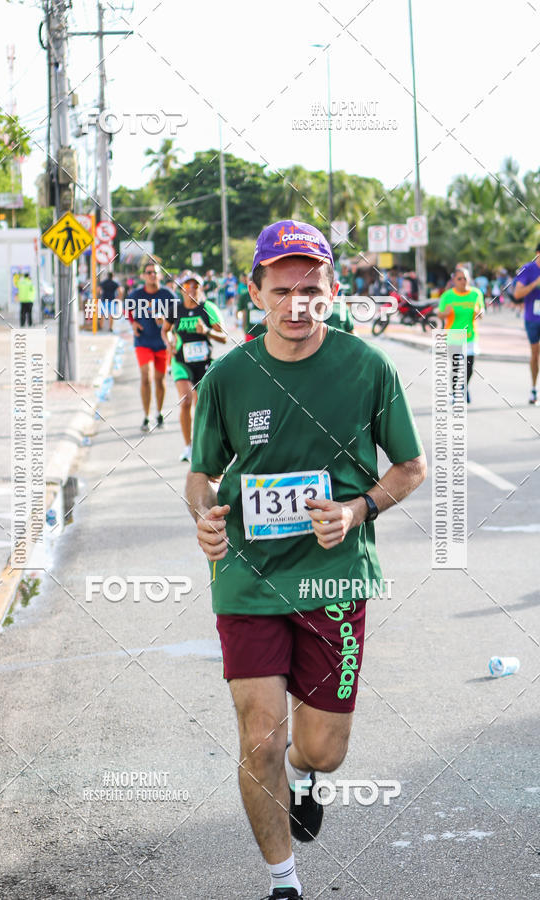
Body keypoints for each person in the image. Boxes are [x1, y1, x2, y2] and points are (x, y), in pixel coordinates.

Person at [185, 219, 426, 900]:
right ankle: (283, 882)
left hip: (334, 578)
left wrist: (358, 510)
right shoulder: (229, 377)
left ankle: (305, 772)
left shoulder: (367, 367)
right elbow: (201, 477)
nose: (298, 305)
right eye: (282, 290)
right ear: (255, 292)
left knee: (323, 749)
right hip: (248, 578)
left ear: (333, 290)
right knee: (259, 737)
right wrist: (204, 516)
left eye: (312, 290)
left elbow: (410, 467)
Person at [163, 273, 226, 461]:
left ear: (201, 289)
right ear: (181, 289)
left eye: (196, 286)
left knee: (201, 406)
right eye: (187, 286)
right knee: (186, 401)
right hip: (181, 362)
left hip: (203, 363)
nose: (192, 289)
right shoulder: (175, 309)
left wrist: (207, 331)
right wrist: (169, 344)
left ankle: (200, 444)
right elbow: (165, 330)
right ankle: (188, 447)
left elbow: (223, 337)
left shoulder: (208, 308)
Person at [127, 262, 175, 432]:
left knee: (160, 380)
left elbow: (177, 314)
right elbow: (127, 310)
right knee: (146, 377)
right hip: (143, 341)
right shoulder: (136, 295)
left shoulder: (168, 295)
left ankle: (159, 413)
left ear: (160, 275)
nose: (152, 275)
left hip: (161, 343)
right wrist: (133, 323)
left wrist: (167, 321)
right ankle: (146, 417)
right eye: (148, 273)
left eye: (155, 272)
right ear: (143, 276)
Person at [437, 268, 484, 404]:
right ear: (454, 280)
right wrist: (445, 313)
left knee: (469, 367)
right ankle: (453, 392)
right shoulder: (447, 295)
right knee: (457, 366)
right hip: (454, 335)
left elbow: (482, 312)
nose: (463, 281)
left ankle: (464, 387)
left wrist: (479, 312)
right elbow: (440, 314)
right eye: (459, 279)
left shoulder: (476, 293)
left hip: (470, 335)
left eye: (465, 278)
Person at [513, 242, 540, 404]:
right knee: (535, 354)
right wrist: (535, 283)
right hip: (532, 319)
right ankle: (533, 388)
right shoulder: (528, 269)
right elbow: (517, 294)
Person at [236, 273, 267, 341]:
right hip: (250, 332)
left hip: (264, 332)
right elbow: (241, 311)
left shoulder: (265, 295)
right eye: (250, 280)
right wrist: (241, 325)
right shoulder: (244, 296)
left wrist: (267, 318)